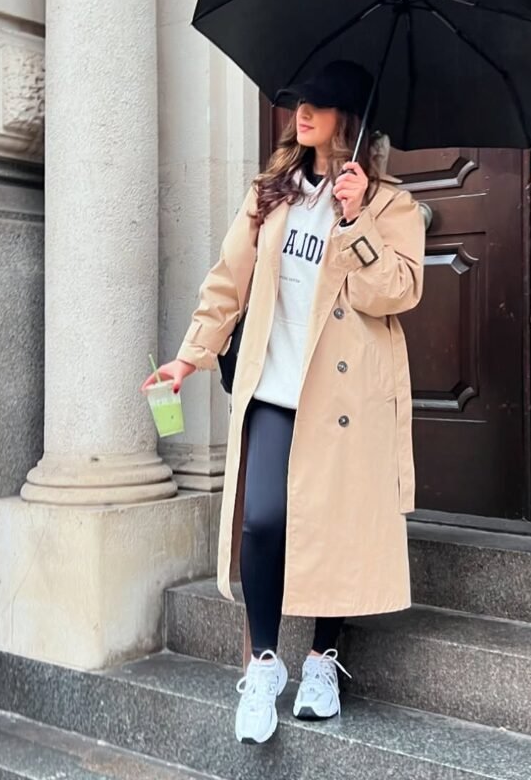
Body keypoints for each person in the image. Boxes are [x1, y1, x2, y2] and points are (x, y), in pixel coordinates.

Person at [142, 59, 425, 744]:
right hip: (274, 384)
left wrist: (355, 220)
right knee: (263, 520)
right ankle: (264, 664)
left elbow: (397, 292)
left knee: (337, 525)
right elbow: (227, 282)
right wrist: (189, 355)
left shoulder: (392, 205)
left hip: (348, 394)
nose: (303, 114)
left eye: (321, 105)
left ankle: (322, 661)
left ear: (348, 121)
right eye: (300, 101)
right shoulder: (271, 194)